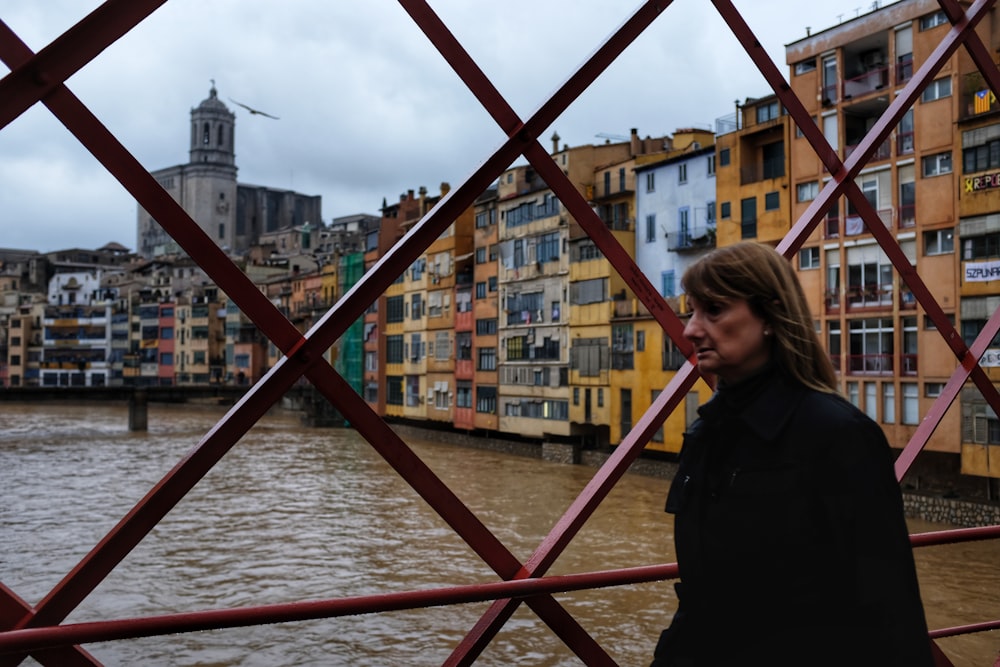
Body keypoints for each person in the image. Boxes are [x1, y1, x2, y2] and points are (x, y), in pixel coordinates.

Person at [651, 242, 933, 666]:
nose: (690, 330)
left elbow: (889, 608)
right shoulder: (706, 432)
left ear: (769, 316)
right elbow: (699, 599)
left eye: (713, 310)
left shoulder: (838, 435)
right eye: (691, 311)